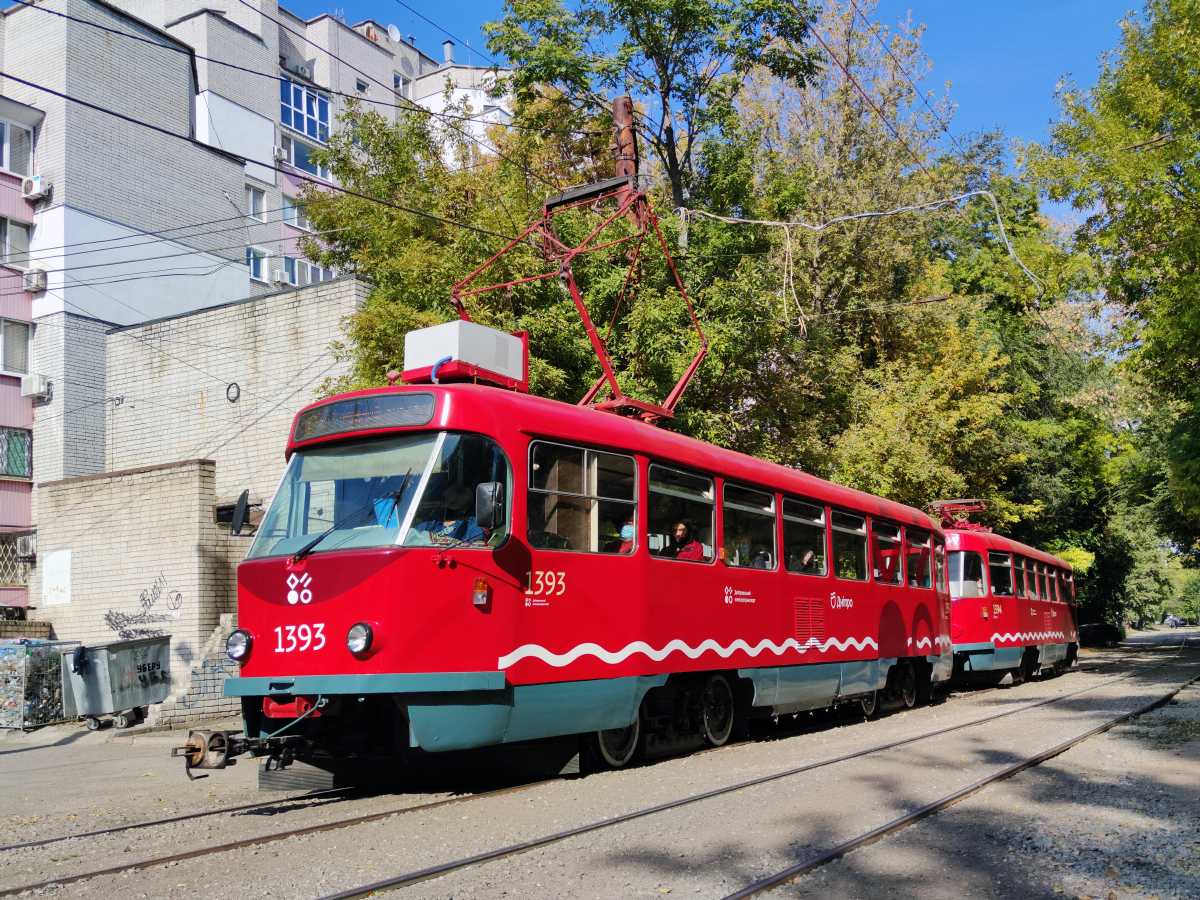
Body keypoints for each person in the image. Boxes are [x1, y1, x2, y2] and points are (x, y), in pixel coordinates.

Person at [413, 483, 486, 543]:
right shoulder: (431, 523)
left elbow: (478, 545)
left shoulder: (471, 523)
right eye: (446, 501)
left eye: (453, 503)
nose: (447, 505)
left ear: (464, 507)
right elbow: (412, 537)